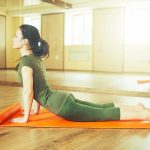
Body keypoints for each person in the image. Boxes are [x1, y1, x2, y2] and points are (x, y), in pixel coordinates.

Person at [11, 24, 150, 123]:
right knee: (100, 108)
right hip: (62, 98)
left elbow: (28, 92)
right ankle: (137, 108)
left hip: (63, 106)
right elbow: (39, 87)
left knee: (102, 113)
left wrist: (26, 118)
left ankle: (143, 114)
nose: (13, 38)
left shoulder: (26, 63)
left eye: (16, 35)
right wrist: (36, 110)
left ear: (25, 41)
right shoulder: (36, 59)